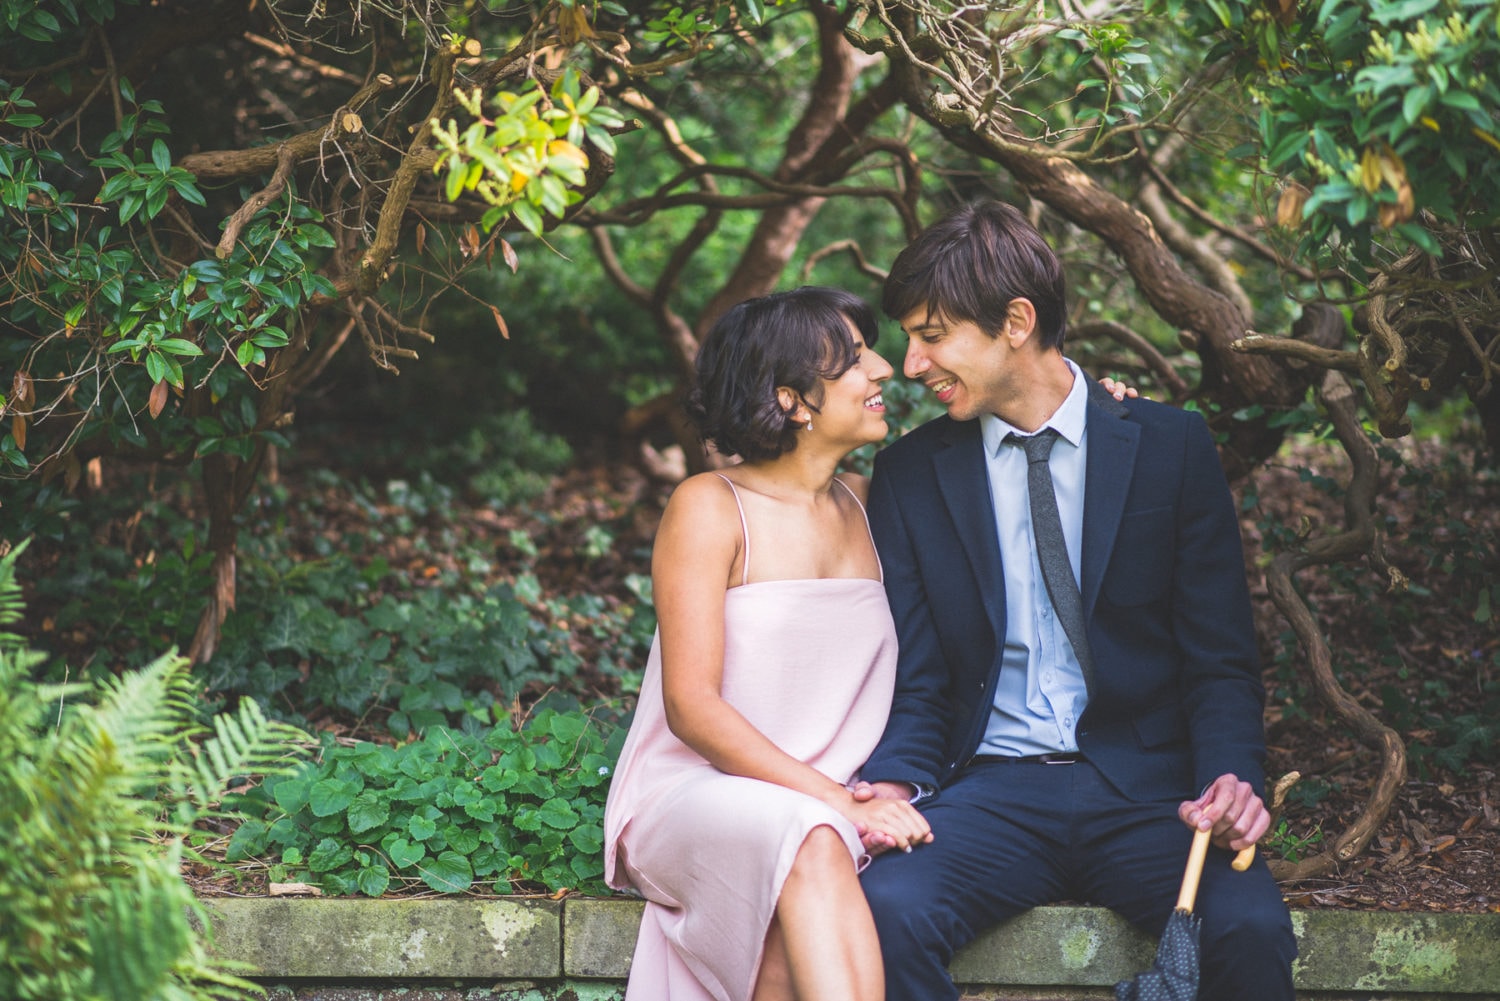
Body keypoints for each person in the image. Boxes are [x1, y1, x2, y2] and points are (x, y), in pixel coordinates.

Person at [853, 200, 1298, 1001]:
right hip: (988, 788)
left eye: (931, 333)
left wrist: (1233, 776)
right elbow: (919, 676)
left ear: (1016, 321)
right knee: (885, 909)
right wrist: (894, 782)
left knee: (1251, 930)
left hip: (1151, 789)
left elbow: (1220, 659)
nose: (911, 364)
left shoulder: (1171, 447)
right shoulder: (911, 474)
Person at [601, 286, 933, 1001]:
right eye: (853, 359)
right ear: (792, 400)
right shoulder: (708, 507)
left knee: (789, 927)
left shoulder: (873, 506)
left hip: (818, 802)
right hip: (695, 791)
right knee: (810, 837)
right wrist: (840, 804)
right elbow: (691, 707)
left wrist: (1101, 402)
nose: (882, 368)